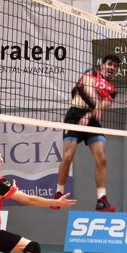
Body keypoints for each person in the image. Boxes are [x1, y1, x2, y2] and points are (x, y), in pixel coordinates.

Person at [51, 54, 121, 212]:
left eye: (115, 66)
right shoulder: (91, 74)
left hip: (91, 119)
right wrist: (95, 108)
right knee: (68, 156)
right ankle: (58, 194)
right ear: (102, 65)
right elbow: (89, 92)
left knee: (101, 157)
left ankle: (101, 200)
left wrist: (90, 114)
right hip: (75, 115)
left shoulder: (112, 90)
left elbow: (104, 106)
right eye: (109, 64)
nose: (112, 68)